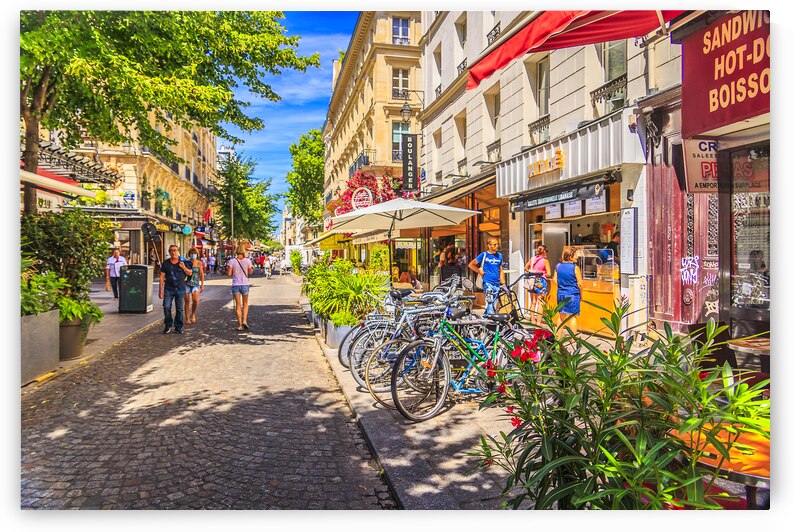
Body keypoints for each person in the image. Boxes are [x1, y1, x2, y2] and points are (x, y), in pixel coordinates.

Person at [159, 245, 193, 334]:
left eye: (175, 250)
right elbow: (162, 277)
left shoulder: (183, 262)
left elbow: (190, 273)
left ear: (178, 251)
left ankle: (178, 327)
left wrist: (183, 267)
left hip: (180, 289)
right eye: (171, 250)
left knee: (179, 309)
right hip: (168, 289)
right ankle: (168, 324)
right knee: (166, 307)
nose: (173, 252)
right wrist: (160, 290)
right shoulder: (166, 263)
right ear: (169, 252)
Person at [551, 246, 584, 337]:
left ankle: (559, 337)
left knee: (561, 316)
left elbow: (554, 279)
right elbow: (580, 284)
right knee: (573, 317)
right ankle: (573, 339)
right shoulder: (575, 268)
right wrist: (581, 295)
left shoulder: (558, 266)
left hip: (561, 293)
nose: (577, 257)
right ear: (570, 256)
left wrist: (562, 286)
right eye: (575, 255)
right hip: (573, 294)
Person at [468, 238, 505, 314]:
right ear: (489, 245)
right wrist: (479, 271)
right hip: (487, 283)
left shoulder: (500, 256)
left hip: (497, 284)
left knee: (494, 307)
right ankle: (490, 319)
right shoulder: (484, 255)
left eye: (497, 244)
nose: (497, 246)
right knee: (490, 305)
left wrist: (503, 283)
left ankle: (484, 318)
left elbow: (501, 270)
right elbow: (471, 265)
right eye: (494, 244)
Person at [227, 246, 254, 331]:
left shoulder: (232, 261)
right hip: (245, 284)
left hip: (236, 284)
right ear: (243, 251)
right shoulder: (248, 261)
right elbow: (250, 272)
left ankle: (239, 325)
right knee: (245, 303)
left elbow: (229, 274)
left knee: (238, 305)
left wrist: (234, 272)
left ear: (236, 252)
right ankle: (244, 321)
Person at [524, 244, 552, 325]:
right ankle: (539, 322)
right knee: (540, 302)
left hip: (532, 281)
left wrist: (532, 272)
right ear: (544, 252)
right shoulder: (545, 261)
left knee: (533, 301)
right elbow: (549, 273)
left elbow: (525, 267)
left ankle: (532, 320)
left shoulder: (532, 259)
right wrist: (543, 273)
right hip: (540, 281)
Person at [183, 247, 205, 324]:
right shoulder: (186, 262)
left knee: (195, 300)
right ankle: (187, 317)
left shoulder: (199, 263)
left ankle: (193, 314)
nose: (193, 255)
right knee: (187, 301)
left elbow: (201, 274)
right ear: (189, 254)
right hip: (186, 283)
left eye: (194, 253)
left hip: (195, 283)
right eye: (192, 253)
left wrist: (202, 285)